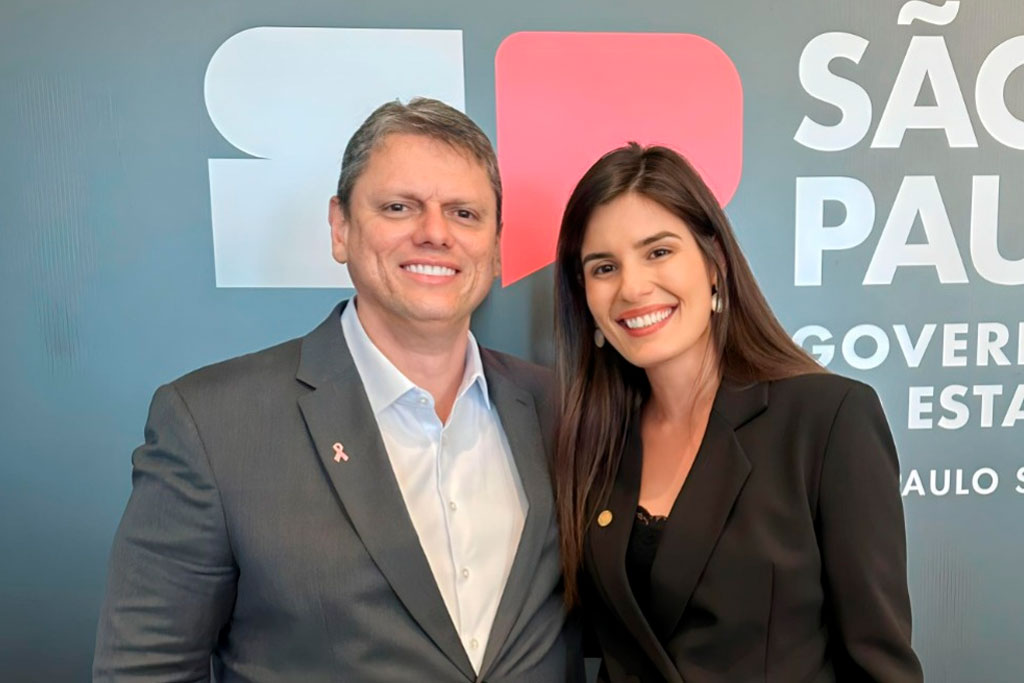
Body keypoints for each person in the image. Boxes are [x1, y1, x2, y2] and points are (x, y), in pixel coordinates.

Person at [94, 98, 580, 682]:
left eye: (464, 213)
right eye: (399, 207)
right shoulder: (212, 425)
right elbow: (146, 669)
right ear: (340, 228)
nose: (435, 233)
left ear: (496, 246)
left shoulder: (560, 410)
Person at [553, 143, 923, 682]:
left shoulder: (827, 418)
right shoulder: (597, 439)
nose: (632, 287)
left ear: (715, 264)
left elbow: (880, 666)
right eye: (604, 267)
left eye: (658, 252)